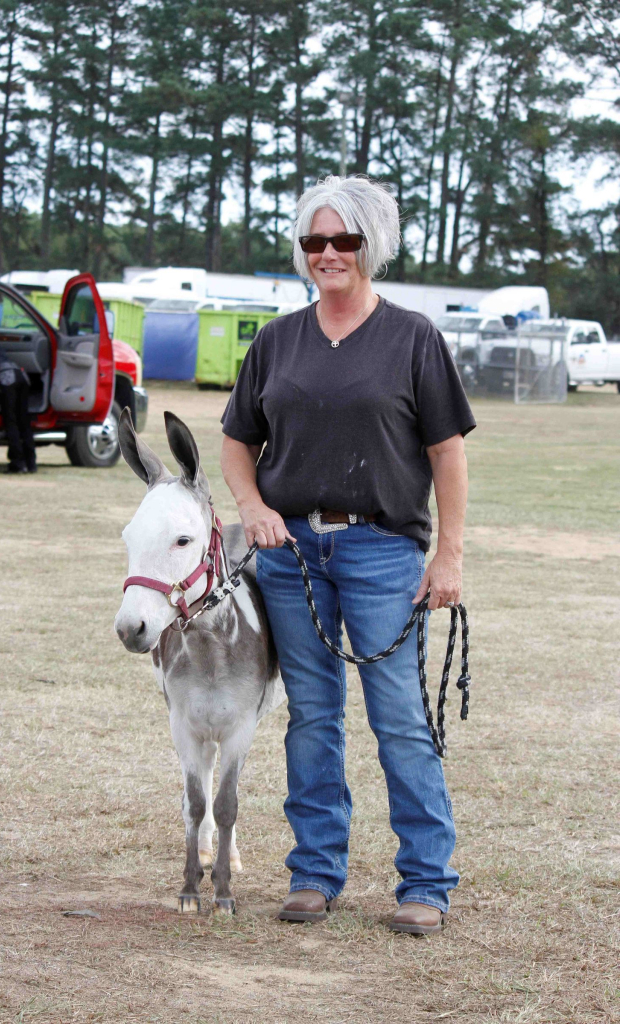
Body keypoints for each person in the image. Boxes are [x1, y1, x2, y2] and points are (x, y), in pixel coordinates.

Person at [220, 175, 476, 936]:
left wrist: (449, 557)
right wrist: (254, 509)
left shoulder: (413, 338)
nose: (328, 254)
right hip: (291, 553)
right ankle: (314, 873)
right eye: (314, 242)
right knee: (312, 717)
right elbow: (238, 444)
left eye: (344, 240)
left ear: (372, 245)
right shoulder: (276, 341)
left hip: (383, 551)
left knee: (398, 718)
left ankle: (425, 882)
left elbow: (446, 451)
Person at [0, 319, 36, 474]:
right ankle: (31, 463)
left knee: (11, 421)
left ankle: (17, 463)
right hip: (20, 375)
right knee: (24, 420)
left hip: (6, 378)